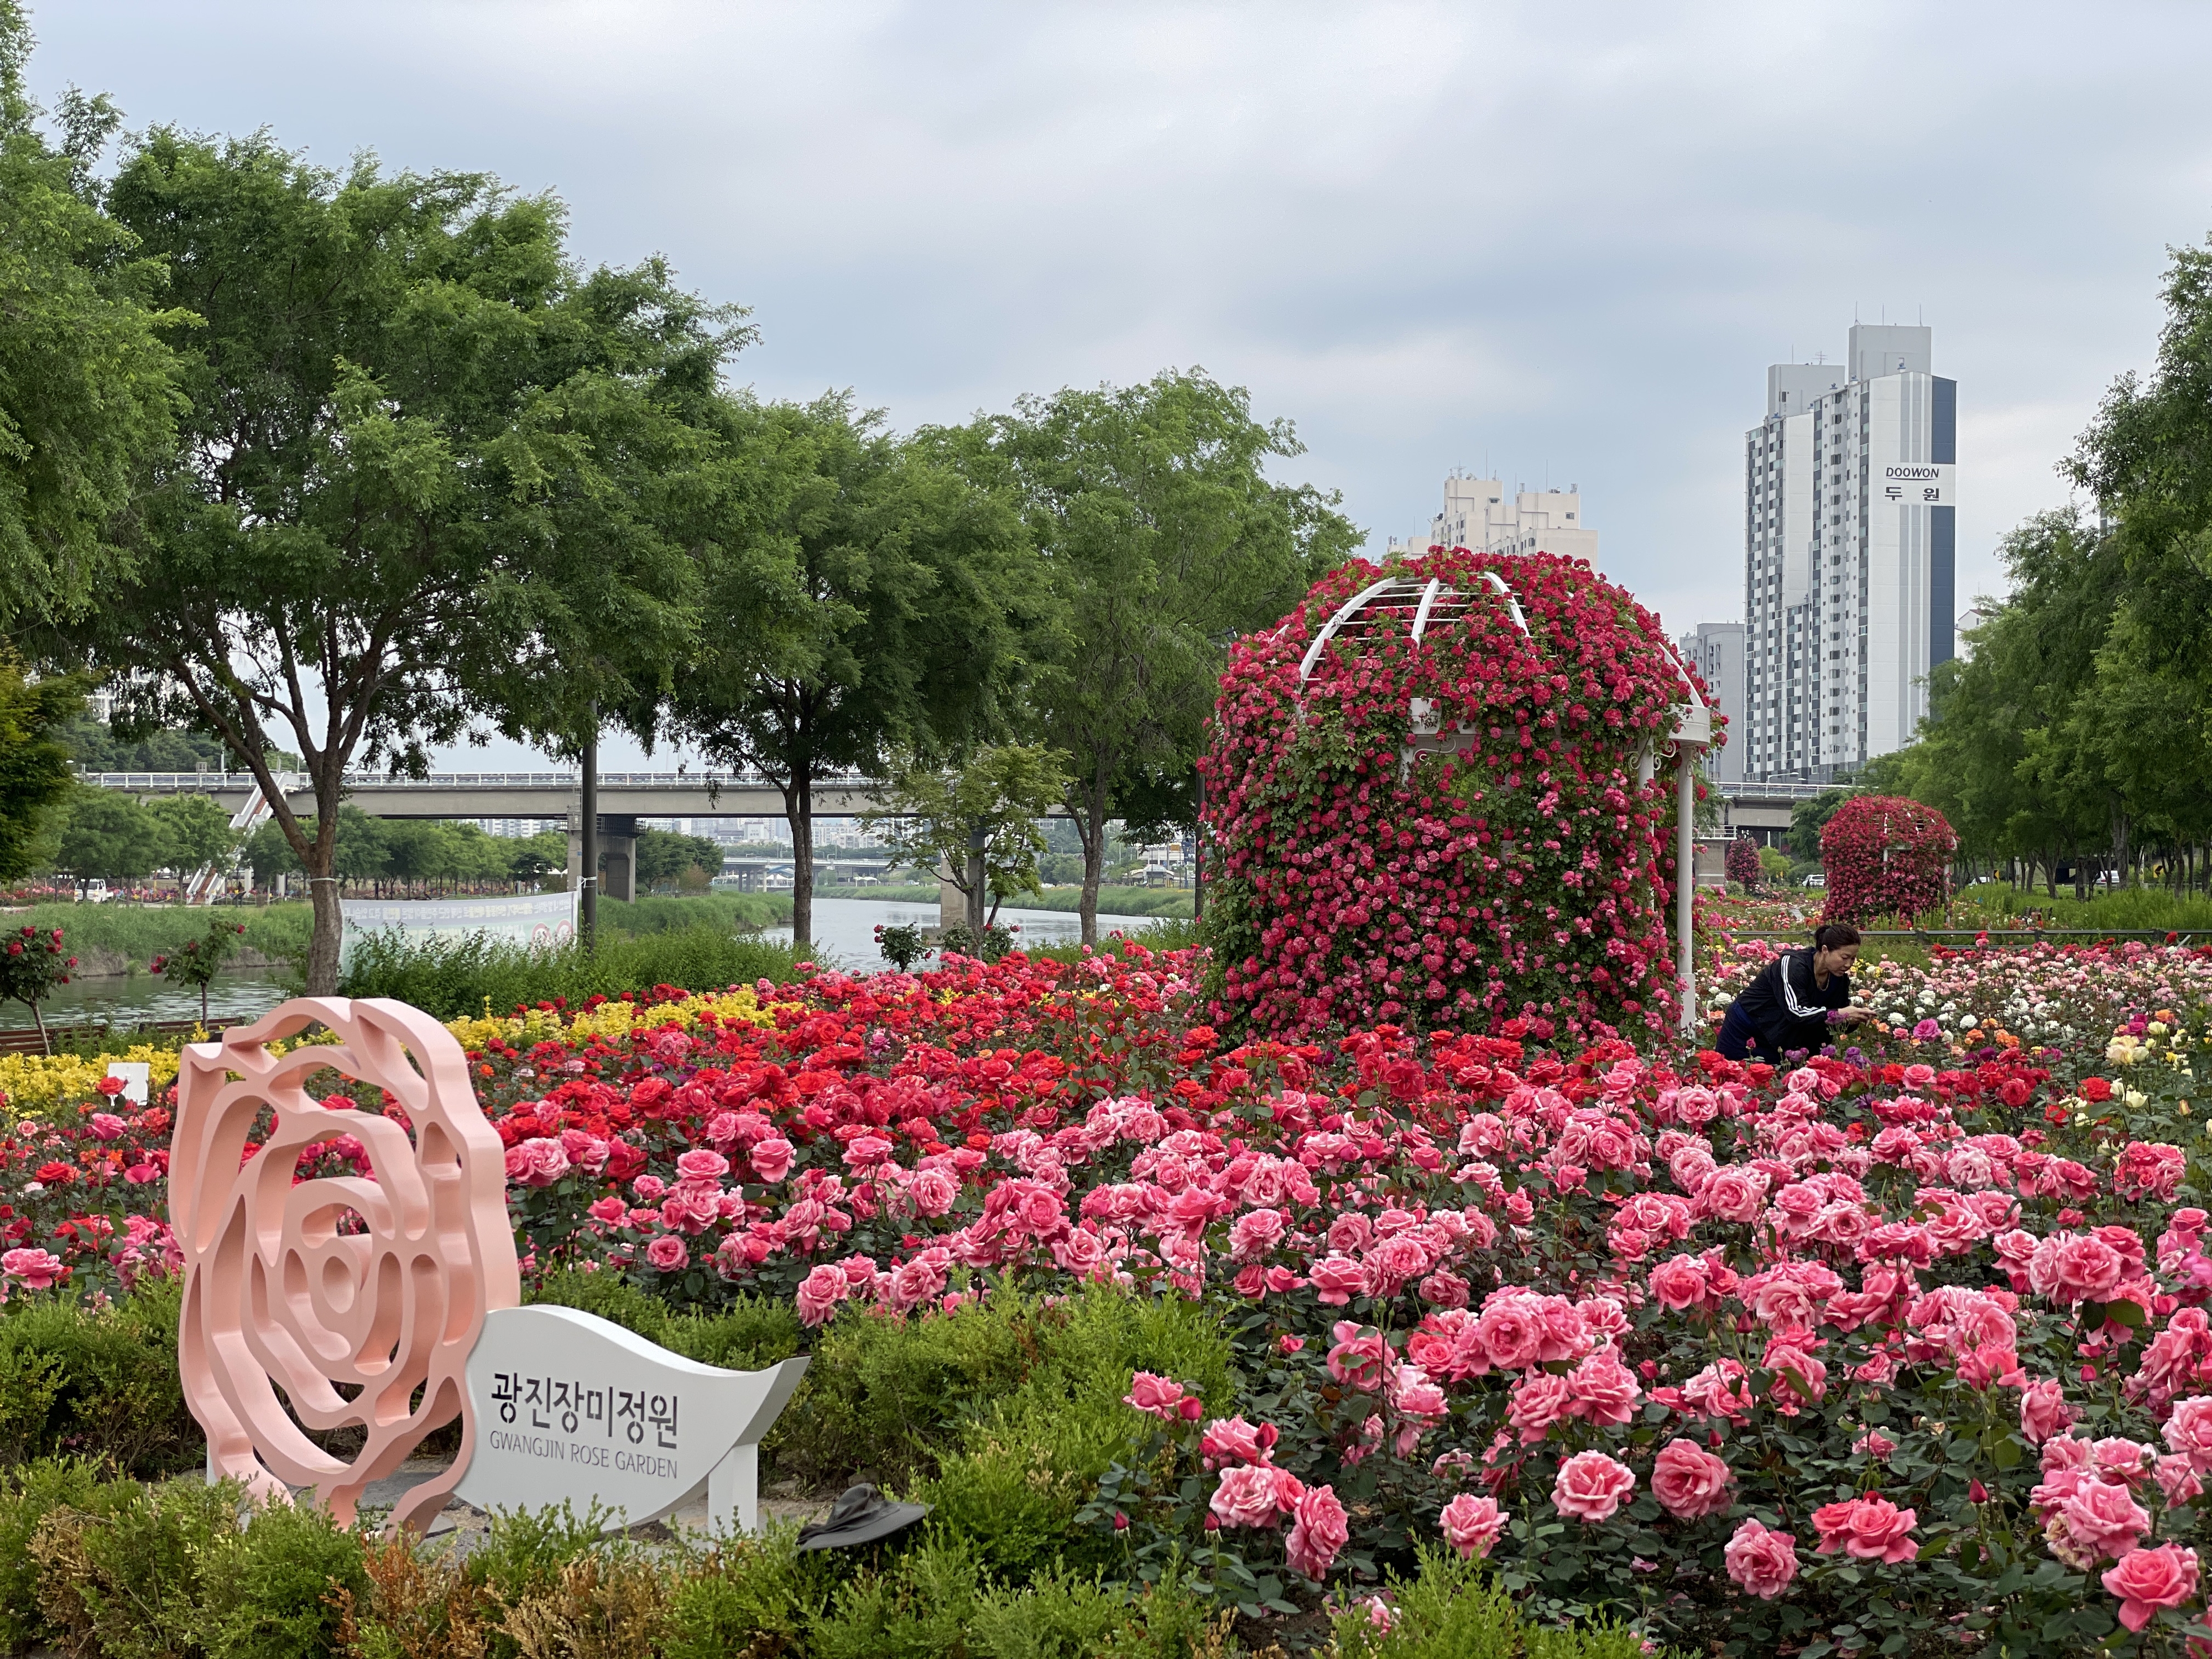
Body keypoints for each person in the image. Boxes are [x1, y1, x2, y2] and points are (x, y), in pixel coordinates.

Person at [1715, 922, 1874, 1062]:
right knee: (1735, 1082)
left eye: (1853, 958)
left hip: (1783, 1038)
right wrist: (1840, 1015)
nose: (1849, 964)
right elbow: (1797, 1012)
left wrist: (1852, 1020)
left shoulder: (1839, 979)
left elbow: (1829, 1020)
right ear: (1825, 950)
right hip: (1746, 1032)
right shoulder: (1793, 965)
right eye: (1845, 957)